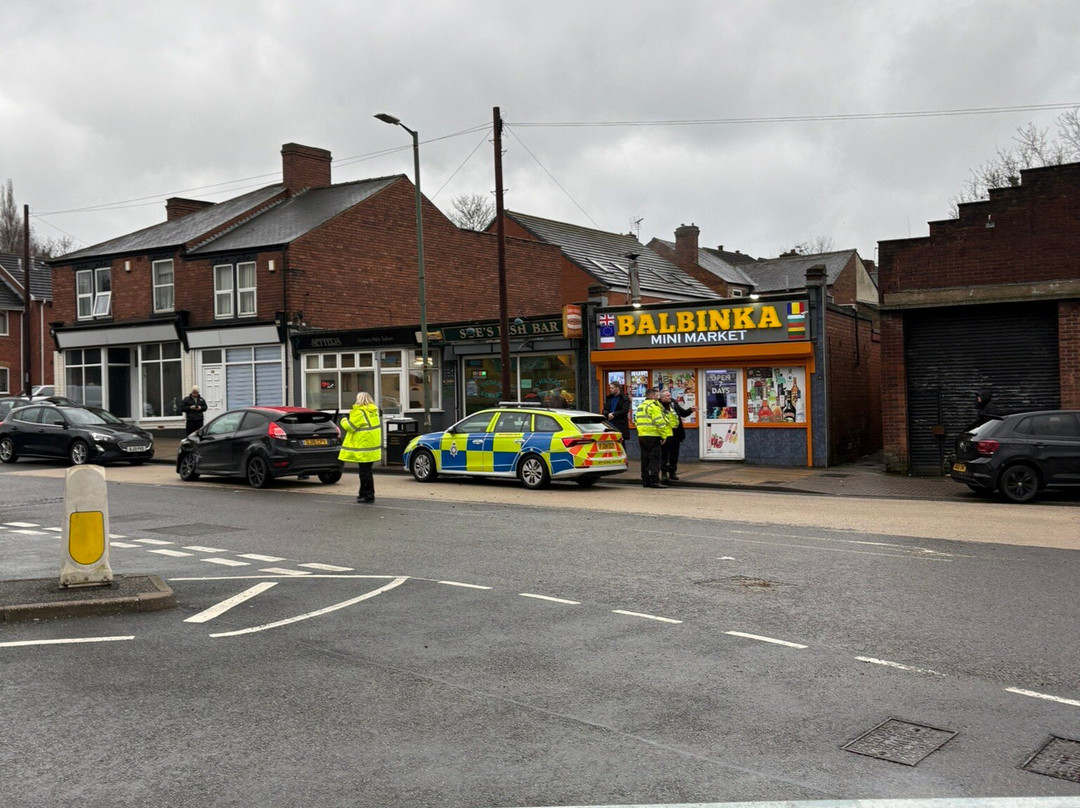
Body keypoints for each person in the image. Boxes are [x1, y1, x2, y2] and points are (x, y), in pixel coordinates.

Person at [338, 391, 382, 503]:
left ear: (360, 400)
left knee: (364, 473)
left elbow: (350, 427)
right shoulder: (374, 412)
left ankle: (368, 495)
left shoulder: (359, 412)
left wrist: (343, 420)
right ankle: (363, 493)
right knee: (366, 471)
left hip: (363, 448)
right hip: (373, 448)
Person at [634, 387, 672, 488]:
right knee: (655, 459)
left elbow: (636, 421)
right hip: (653, 436)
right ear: (652, 396)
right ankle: (655, 481)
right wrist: (664, 436)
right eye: (657, 395)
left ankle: (645, 481)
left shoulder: (640, 406)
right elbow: (659, 422)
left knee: (645, 459)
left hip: (642, 436)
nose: (658, 397)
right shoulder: (654, 406)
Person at [659, 389, 694, 482]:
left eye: (669, 395)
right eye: (667, 396)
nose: (669, 397)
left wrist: (691, 410)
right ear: (662, 398)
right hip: (665, 435)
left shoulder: (673, 403)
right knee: (664, 456)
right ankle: (664, 474)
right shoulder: (658, 406)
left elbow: (682, 413)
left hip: (676, 434)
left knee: (674, 456)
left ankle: (672, 473)